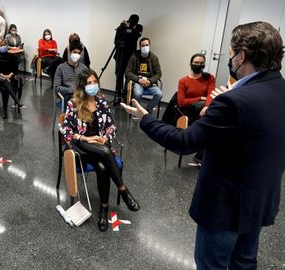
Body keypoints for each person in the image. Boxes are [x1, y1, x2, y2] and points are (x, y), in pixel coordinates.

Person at [122, 21, 285, 269]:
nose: (229, 60)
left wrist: (145, 119)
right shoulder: (277, 89)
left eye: (230, 54)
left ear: (241, 57)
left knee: (212, 264)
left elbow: (184, 141)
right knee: (244, 262)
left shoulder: (233, 102)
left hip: (225, 208)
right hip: (260, 201)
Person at [60, 69, 140, 232]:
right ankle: (123, 191)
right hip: (81, 146)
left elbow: (111, 125)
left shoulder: (102, 100)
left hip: (100, 145)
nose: (92, 85)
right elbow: (66, 130)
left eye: (94, 82)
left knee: (103, 167)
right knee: (105, 152)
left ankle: (104, 209)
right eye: (88, 83)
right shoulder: (73, 103)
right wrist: (86, 138)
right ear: (82, 85)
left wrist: (105, 137)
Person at [125, 37, 162, 114]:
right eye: (143, 45)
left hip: (150, 82)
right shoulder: (134, 56)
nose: (145, 47)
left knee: (159, 94)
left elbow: (158, 73)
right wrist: (138, 79)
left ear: (150, 45)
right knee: (137, 94)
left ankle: (148, 110)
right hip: (138, 81)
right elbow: (127, 72)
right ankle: (136, 111)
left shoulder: (154, 58)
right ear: (140, 46)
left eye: (146, 45)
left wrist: (150, 80)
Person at [0, 40, 24, 119]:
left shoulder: (11, 55)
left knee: (19, 81)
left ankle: (17, 102)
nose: (3, 46)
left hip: (9, 76)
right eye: (1, 45)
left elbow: (15, 68)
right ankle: (5, 109)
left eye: (5, 45)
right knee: (5, 88)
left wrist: (10, 75)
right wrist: (4, 76)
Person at [114, 14, 143, 104]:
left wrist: (128, 29)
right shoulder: (122, 26)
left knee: (128, 76)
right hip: (120, 55)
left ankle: (126, 94)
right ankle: (118, 94)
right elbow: (116, 41)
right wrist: (125, 28)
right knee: (119, 75)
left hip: (131, 56)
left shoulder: (139, 27)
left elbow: (135, 36)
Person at [53, 41, 87, 105]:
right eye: (74, 52)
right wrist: (70, 90)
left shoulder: (84, 68)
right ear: (69, 52)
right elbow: (56, 87)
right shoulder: (60, 68)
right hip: (67, 93)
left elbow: (86, 84)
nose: (77, 55)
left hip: (80, 92)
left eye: (79, 53)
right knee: (75, 100)